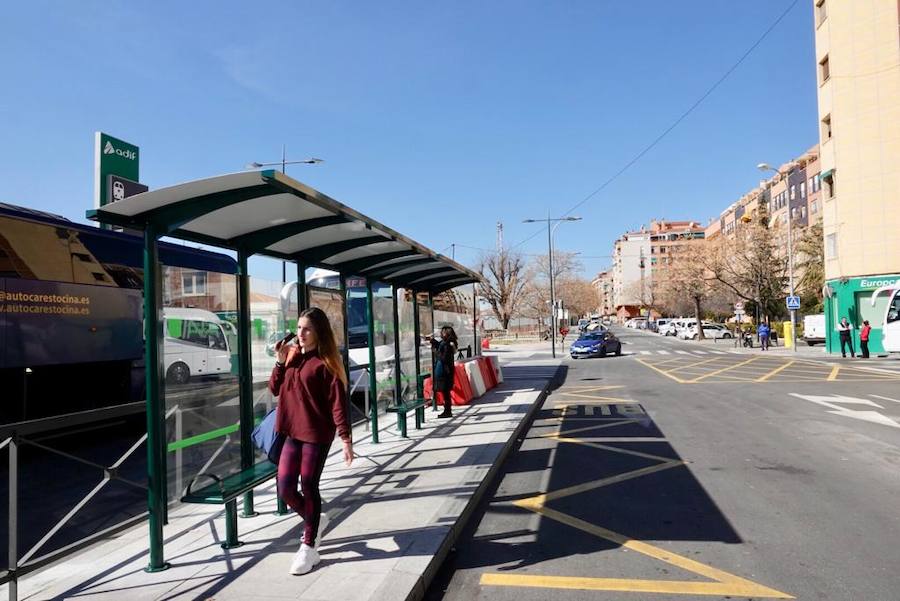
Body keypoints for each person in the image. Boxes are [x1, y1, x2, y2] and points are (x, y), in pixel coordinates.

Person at [269, 307, 353, 576]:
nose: (300, 334)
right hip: (292, 432)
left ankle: (309, 547)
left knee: (309, 485)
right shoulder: (292, 356)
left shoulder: (327, 363)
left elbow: (338, 404)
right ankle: (314, 520)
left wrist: (346, 439)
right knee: (285, 489)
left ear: (319, 333)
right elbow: (274, 389)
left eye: (307, 329)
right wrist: (280, 362)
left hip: (317, 434)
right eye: (298, 328)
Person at [428, 326, 458, 418]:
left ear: (446, 333)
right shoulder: (447, 342)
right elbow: (440, 345)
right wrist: (432, 341)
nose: (441, 333)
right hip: (446, 371)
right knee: (445, 392)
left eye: (442, 332)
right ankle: (447, 410)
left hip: (445, 371)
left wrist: (436, 353)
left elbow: (444, 357)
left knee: (445, 392)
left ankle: (447, 411)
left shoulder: (448, 344)